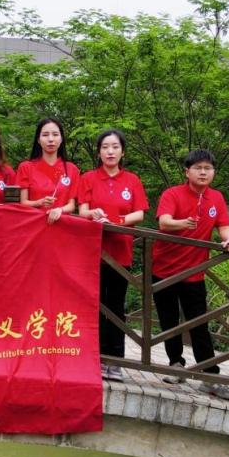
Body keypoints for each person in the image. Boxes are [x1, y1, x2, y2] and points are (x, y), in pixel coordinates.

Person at [151, 149, 229, 399]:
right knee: (169, 320)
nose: (203, 172)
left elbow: (224, 227)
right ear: (186, 172)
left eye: (207, 168)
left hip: (195, 272)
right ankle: (175, 365)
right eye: (198, 168)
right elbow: (164, 222)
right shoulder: (173, 194)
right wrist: (183, 223)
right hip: (164, 269)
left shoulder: (216, 198)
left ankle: (209, 375)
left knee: (199, 323)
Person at [78, 130, 148, 382]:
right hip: (92, 253)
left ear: (122, 151)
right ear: (99, 152)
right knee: (93, 305)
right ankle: (93, 358)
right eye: (105, 147)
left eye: (115, 147)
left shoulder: (132, 180)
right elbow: (82, 210)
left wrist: (117, 221)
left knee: (116, 306)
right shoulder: (88, 178)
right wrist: (93, 214)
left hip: (120, 253)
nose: (110, 151)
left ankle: (115, 360)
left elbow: (139, 213)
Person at [16, 117, 79, 224]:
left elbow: (71, 205)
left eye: (55, 134)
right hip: (33, 225)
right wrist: (39, 202)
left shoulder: (72, 169)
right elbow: (22, 203)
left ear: (61, 139)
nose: (50, 139)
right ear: (38, 140)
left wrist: (60, 210)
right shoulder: (26, 167)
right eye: (45, 135)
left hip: (62, 225)